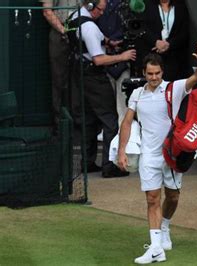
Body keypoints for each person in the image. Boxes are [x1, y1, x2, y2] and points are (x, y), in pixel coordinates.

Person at [117, 42, 197, 264]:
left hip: (172, 153)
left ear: (162, 73)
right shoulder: (137, 94)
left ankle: (165, 225)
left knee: (173, 196)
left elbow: (196, 77)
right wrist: (122, 150)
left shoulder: (174, 88)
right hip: (149, 155)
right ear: (143, 73)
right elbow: (127, 122)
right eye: (150, 73)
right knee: (152, 199)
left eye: (157, 73)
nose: (154, 77)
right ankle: (156, 247)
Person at [69, 0, 136, 177]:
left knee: (89, 118)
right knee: (110, 120)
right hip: (93, 75)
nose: (101, 14)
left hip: (79, 73)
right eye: (100, 10)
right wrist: (122, 56)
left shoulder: (74, 17)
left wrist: (109, 42)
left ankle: (87, 161)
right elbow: (98, 59)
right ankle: (109, 165)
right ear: (90, 6)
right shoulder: (90, 27)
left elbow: (87, 38)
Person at [40, 0, 79, 134]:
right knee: (58, 79)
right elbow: (47, 10)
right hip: (60, 30)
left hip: (81, 29)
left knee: (80, 76)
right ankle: (60, 122)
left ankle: (80, 120)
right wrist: (63, 30)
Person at [137, 0, 192, 81]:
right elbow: (142, 27)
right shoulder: (147, 5)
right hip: (152, 55)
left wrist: (169, 44)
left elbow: (184, 32)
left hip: (174, 58)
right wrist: (156, 42)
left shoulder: (180, 6)